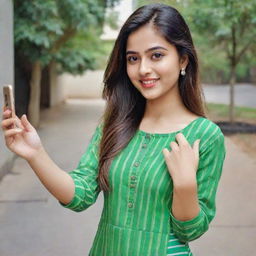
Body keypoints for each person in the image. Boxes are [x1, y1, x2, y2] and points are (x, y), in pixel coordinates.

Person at [2, 3, 226, 256]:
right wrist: (35, 153)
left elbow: (191, 231)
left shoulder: (205, 136)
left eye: (156, 55)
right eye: (133, 58)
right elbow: (81, 195)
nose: (143, 69)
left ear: (183, 59)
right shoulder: (116, 123)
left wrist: (185, 186)